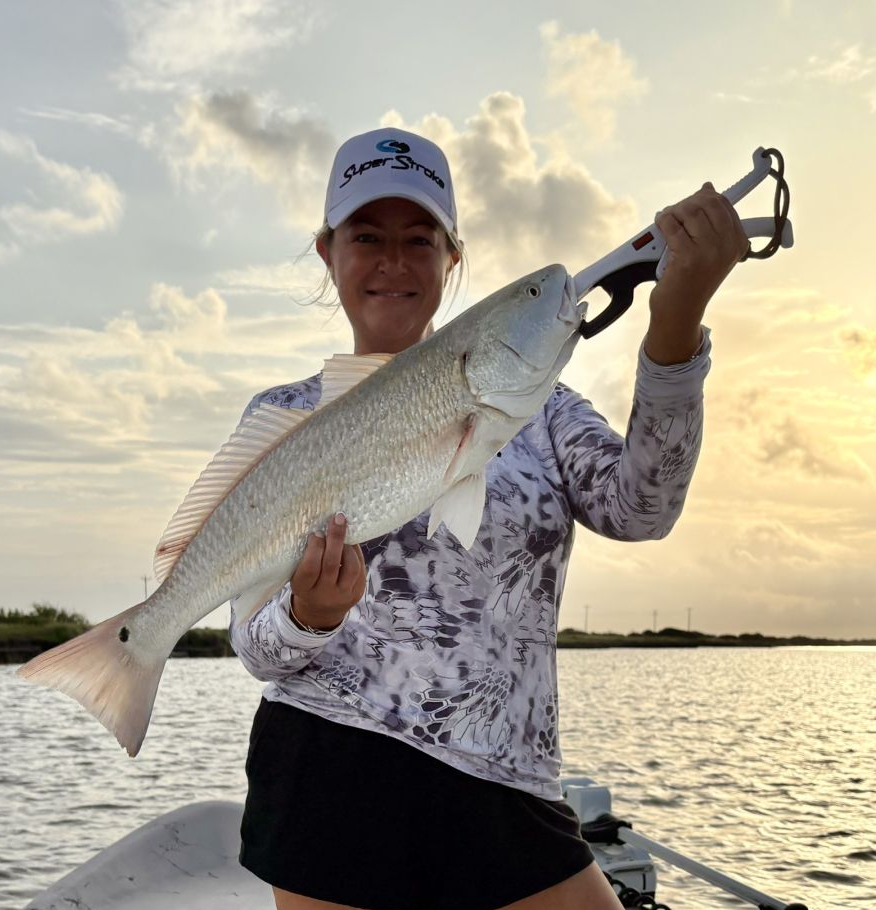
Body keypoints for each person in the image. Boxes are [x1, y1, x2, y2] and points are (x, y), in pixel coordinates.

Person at [229, 127, 748, 910]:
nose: (394, 261)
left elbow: (641, 508)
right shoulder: (284, 422)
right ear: (328, 251)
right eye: (367, 236)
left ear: (453, 258)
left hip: (511, 777)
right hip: (327, 772)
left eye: (420, 239)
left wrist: (675, 325)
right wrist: (309, 617)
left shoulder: (539, 405)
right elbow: (255, 649)